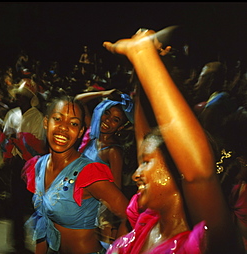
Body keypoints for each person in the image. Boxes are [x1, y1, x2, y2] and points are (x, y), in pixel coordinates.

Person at [103, 27, 244, 253]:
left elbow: (198, 172)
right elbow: (144, 137)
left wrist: (144, 56)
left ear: (179, 171)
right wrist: (141, 72)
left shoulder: (204, 241)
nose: (136, 174)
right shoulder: (147, 221)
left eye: (147, 163)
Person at [22, 95, 129, 254]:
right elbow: (43, 221)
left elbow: (131, 214)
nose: (63, 127)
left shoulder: (88, 173)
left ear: (80, 132)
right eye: (57, 119)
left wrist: (118, 249)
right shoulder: (39, 165)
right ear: (46, 122)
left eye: (73, 123)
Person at [75, 89, 135, 245]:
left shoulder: (113, 151)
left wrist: (108, 221)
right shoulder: (92, 134)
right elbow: (78, 100)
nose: (107, 120)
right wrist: (104, 93)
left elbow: (116, 190)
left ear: (120, 127)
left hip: (93, 210)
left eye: (115, 120)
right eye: (107, 113)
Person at [0, 79, 47, 254]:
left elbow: (38, 146)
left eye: (23, 97)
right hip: (17, 164)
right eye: (18, 96)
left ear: (31, 98)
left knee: (36, 204)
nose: (19, 99)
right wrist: (8, 149)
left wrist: (18, 139)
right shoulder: (12, 114)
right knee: (16, 204)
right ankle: (18, 242)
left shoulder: (38, 117)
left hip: (33, 166)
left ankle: (42, 241)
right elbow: (4, 138)